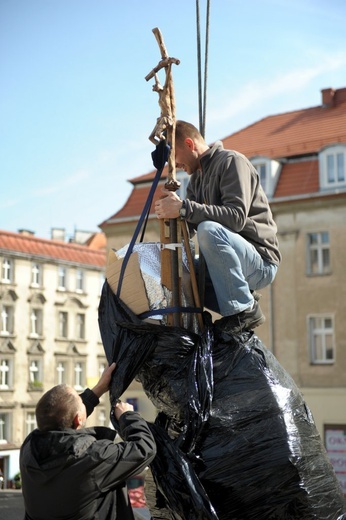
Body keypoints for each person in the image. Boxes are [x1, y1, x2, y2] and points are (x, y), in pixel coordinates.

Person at [154, 120, 281, 335]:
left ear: (189, 144)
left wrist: (184, 208)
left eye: (174, 159)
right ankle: (199, 319)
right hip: (231, 261)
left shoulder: (232, 162)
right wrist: (171, 218)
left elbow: (236, 218)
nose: (174, 167)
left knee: (209, 231)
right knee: (179, 272)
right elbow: (190, 224)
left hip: (261, 262)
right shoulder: (196, 180)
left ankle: (243, 311)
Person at [20, 363, 156, 520]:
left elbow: (62, 414)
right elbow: (144, 448)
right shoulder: (93, 456)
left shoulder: (29, 447)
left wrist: (97, 390)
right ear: (78, 419)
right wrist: (128, 417)